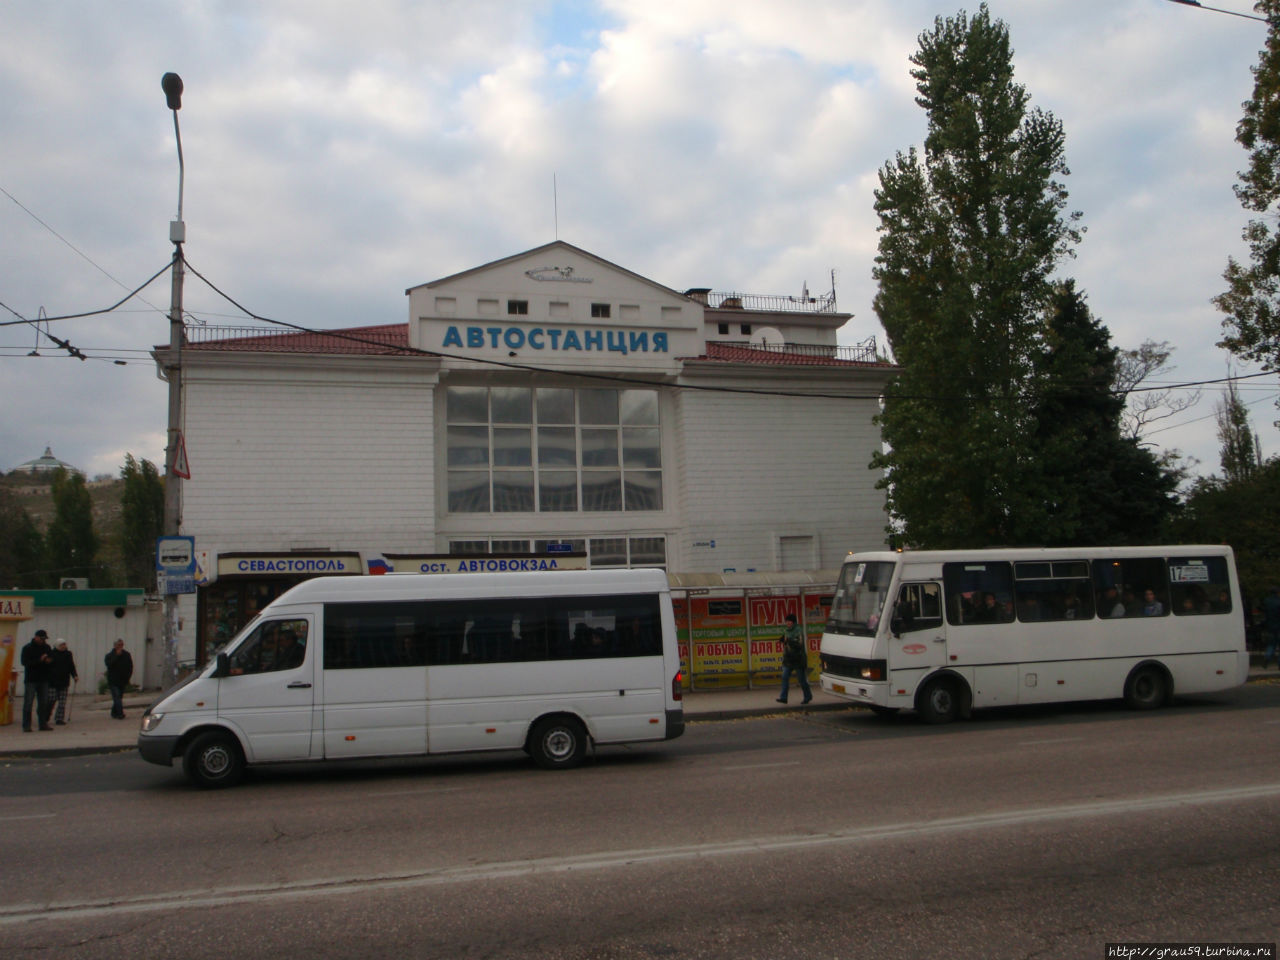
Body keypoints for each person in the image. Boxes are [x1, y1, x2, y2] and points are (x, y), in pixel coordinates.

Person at [20, 629, 54, 732]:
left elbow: (52, 659)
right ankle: (26, 726)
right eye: (41, 639)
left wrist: (49, 661)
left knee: (43, 703)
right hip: (31, 679)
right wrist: (39, 660)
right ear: (36, 637)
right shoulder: (27, 648)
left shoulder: (47, 647)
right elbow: (25, 662)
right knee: (28, 703)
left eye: (44, 639)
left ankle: (42, 724)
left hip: (44, 679)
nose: (43, 641)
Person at [775, 614, 812, 705]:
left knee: (801, 679)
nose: (787, 623)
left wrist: (788, 641)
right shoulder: (787, 631)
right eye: (786, 621)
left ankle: (808, 696)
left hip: (798, 659)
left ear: (793, 622)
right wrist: (782, 639)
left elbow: (799, 644)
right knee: (784, 677)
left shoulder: (798, 631)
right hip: (788, 659)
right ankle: (783, 697)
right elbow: (786, 639)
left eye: (789, 621)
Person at [48, 639, 78, 725]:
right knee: (51, 699)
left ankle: (59, 718)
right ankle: (46, 714)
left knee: (62, 701)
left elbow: (71, 666)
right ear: (57, 645)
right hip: (53, 681)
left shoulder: (68, 654)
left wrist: (75, 675)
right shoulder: (52, 653)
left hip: (64, 680)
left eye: (64, 644)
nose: (64, 646)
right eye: (62, 645)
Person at [104, 639, 133, 720]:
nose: (120, 646)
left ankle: (114, 712)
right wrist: (116, 656)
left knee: (119, 697)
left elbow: (130, 667)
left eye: (121, 645)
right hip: (113, 681)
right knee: (116, 696)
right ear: (115, 646)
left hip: (122, 680)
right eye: (119, 645)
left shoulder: (127, 655)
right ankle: (120, 713)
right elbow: (108, 664)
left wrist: (128, 677)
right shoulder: (109, 655)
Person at [1262, 587, 1280, 669]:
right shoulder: (1279, 602)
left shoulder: (1266, 601)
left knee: (1271, 644)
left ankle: (1267, 657)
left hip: (1270, 626)